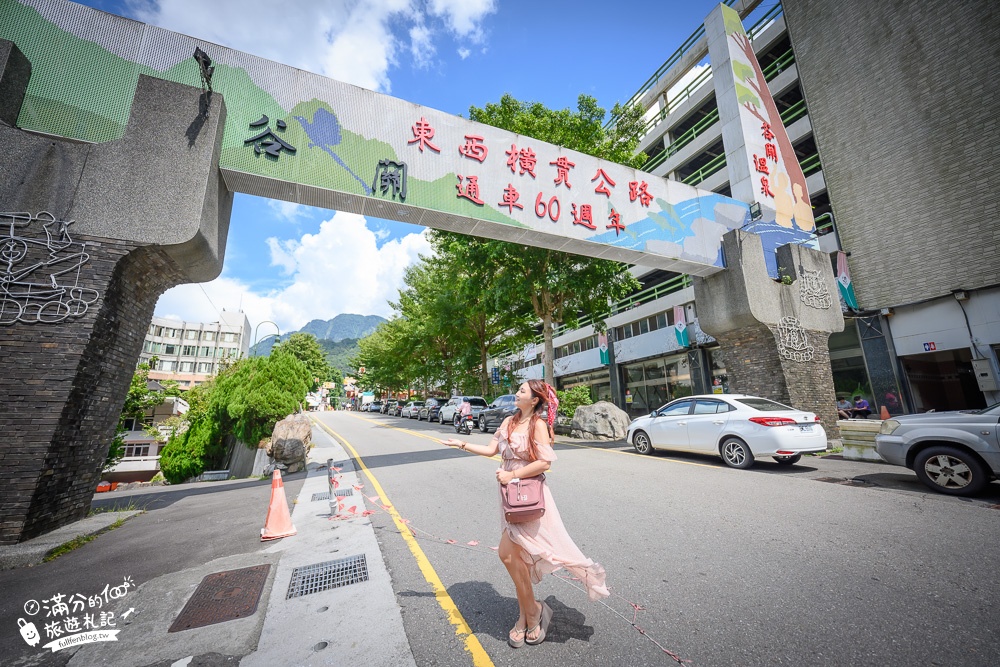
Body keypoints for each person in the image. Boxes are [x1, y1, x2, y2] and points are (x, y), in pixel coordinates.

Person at [442, 380, 608, 648]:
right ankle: (528, 615)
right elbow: (490, 449)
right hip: (509, 497)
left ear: (534, 400)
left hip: (527, 496)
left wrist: (512, 474)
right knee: (514, 557)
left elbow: (545, 462)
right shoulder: (509, 421)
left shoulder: (538, 426)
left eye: (522, 391)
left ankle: (532, 613)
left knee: (507, 554)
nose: (516, 393)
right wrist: (461, 443)